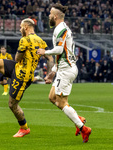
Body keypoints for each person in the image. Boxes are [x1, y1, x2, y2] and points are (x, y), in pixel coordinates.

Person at [37, 3, 91, 143]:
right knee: (51, 97)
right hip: (63, 68)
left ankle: (83, 128)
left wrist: (45, 52)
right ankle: (78, 118)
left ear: (55, 16)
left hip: (66, 70)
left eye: (49, 14)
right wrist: (53, 72)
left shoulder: (60, 29)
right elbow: (63, 54)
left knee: (61, 103)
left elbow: (59, 50)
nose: (48, 16)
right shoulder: (61, 28)